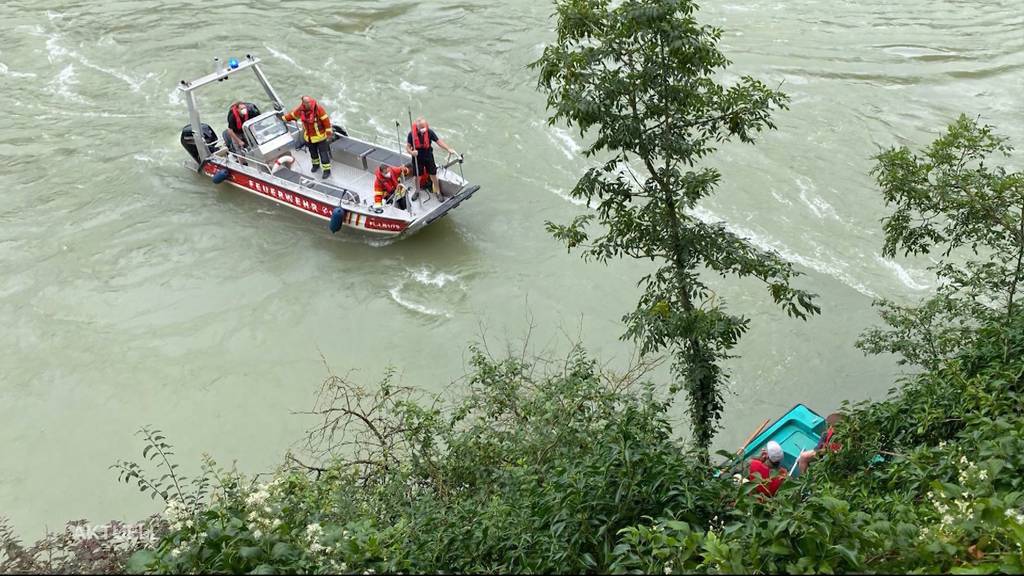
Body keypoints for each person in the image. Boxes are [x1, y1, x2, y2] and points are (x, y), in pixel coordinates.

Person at [282, 96, 333, 179]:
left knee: (323, 155)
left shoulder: (318, 109)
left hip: (320, 138)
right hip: (309, 138)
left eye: (309, 102)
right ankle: (315, 165)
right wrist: (283, 118)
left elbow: (326, 121)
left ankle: (327, 170)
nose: (308, 104)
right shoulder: (301, 109)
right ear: (303, 103)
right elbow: (293, 115)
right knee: (313, 154)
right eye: (306, 102)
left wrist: (328, 133)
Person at [406, 117, 457, 198]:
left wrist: (448, 149)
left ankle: (438, 192)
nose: (424, 129)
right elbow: (408, 147)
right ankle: (417, 191)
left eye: (424, 127)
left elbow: (439, 142)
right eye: (421, 127)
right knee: (417, 177)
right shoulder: (411, 134)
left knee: (433, 175)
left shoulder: (429, 132)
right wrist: (412, 152)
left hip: (428, 155)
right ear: (418, 127)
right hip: (417, 157)